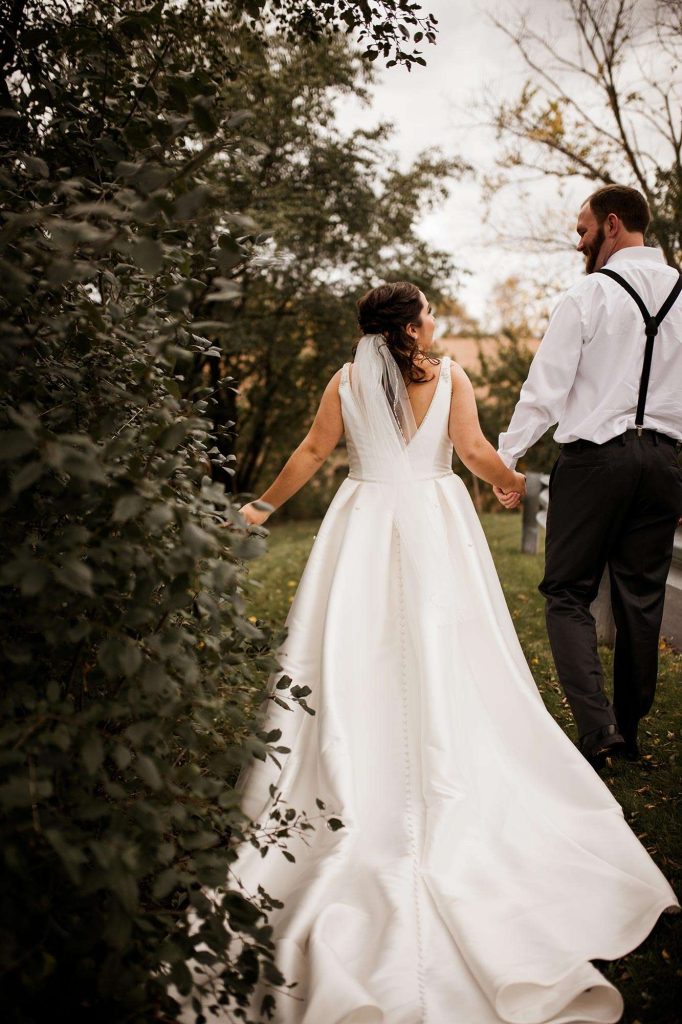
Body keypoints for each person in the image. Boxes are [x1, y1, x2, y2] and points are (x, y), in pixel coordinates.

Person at [213, 282, 677, 1024]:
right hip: (435, 516)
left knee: (355, 639)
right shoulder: (450, 375)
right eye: (427, 311)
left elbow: (312, 450)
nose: (435, 320)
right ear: (409, 324)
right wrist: (510, 484)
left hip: (362, 521)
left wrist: (260, 507)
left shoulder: (345, 379)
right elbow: (471, 451)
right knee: (446, 639)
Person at [495, 185, 682, 771]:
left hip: (595, 461)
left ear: (613, 224)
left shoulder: (589, 295)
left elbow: (544, 390)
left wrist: (507, 458)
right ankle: (630, 731)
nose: (579, 242)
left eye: (583, 230)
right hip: (665, 463)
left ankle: (600, 731)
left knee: (567, 592)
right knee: (641, 600)